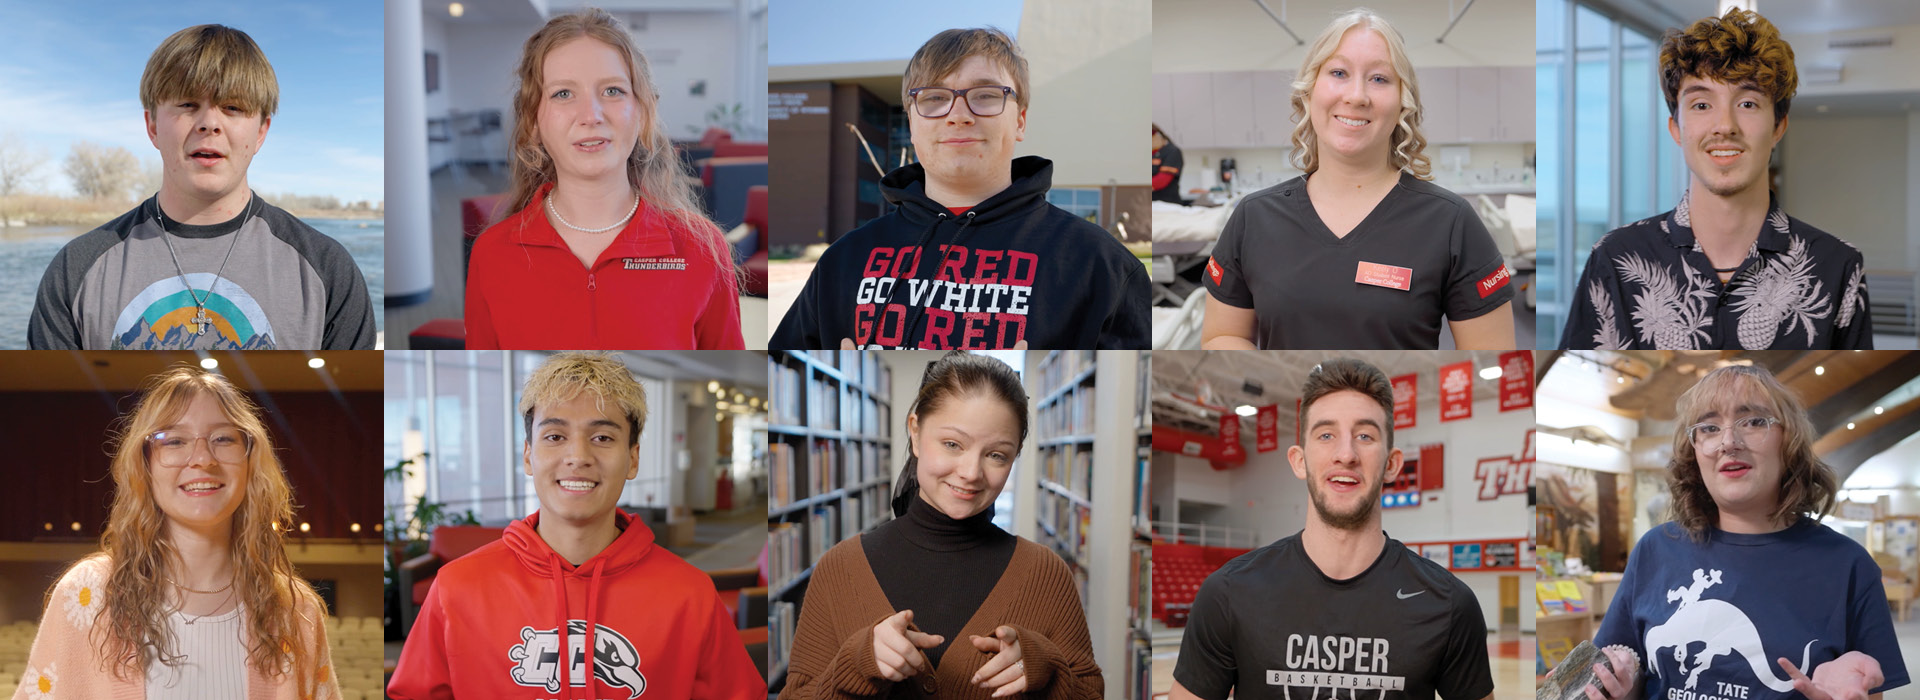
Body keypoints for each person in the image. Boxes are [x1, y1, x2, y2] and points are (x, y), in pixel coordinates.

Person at [388, 352, 763, 699]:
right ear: (528, 455)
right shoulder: (456, 588)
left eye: (602, 437)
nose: (578, 457)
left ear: (633, 459)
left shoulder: (690, 595)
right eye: (555, 436)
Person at [770, 28, 1150, 350]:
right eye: (934, 98)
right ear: (913, 122)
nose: (958, 115)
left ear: (1019, 121)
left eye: (985, 95)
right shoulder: (844, 261)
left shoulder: (1101, 265)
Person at [26, 25, 376, 350]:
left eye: (233, 107)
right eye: (188, 104)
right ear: (152, 125)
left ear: (261, 132)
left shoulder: (328, 271)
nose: (210, 124)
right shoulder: (76, 269)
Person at [1571, 365, 1907, 700]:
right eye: (1709, 428)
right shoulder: (1655, 549)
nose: (1728, 442)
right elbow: (1622, 676)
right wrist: (1617, 689)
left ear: (1787, 441)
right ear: (1694, 452)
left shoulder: (1848, 565)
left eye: (1754, 421)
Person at [779, 351, 1102, 700]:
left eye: (996, 455)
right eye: (952, 444)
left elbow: (1089, 692)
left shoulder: (1046, 574)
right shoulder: (839, 569)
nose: (971, 472)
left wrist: (1046, 669)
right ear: (915, 432)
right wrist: (856, 665)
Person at [1172, 358, 1494, 700]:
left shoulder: (1450, 605)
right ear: (1299, 460)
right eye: (1326, 435)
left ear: (1392, 464)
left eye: (1365, 436)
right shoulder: (1228, 593)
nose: (1346, 453)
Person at [1200, 9, 1515, 350]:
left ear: (1402, 104)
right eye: (1338, 72)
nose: (1356, 96)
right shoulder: (1254, 218)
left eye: (1379, 79)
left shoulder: (1450, 223)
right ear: (1309, 92)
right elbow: (1223, 336)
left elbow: (1492, 356)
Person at [15, 367, 337, 697]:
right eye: (174, 441)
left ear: (250, 460)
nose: (202, 459)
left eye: (223, 438)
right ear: (146, 464)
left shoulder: (296, 611)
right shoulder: (87, 595)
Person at [1560, 8, 1869, 350]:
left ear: (1778, 127)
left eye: (1748, 103)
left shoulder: (1838, 267)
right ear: (1676, 128)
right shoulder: (1614, 259)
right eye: (1702, 105)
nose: (1725, 125)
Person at [464, 9, 744, 350]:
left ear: (642, 113)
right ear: (534, 123)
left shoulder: (702, 248)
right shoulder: (492, 254)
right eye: (563, 94)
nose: (591, 116)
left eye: (612, 91)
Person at [1152, 125, 1184, 204]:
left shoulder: (1172, 152)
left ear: (1157, 136)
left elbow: (1162, 180)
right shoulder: (1152, 153)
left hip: (1167, 203)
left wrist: (1140, 188)